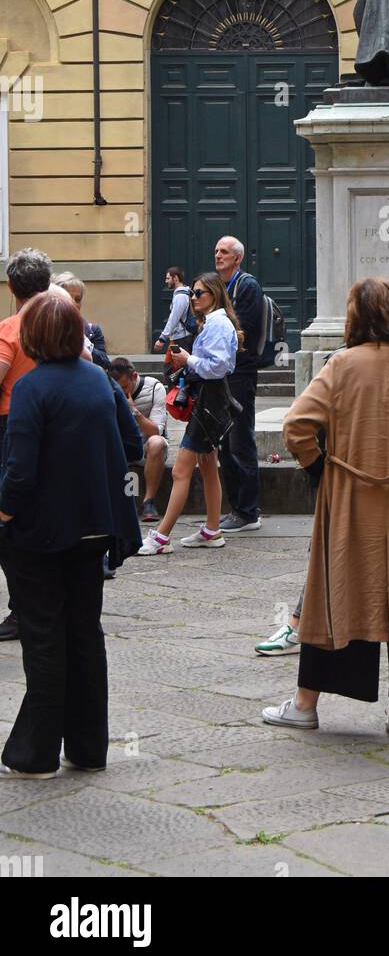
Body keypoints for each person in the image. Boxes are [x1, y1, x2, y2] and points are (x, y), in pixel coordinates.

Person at [265, 277, 389, 739]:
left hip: (350, 500)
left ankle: (305, 706)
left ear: (356, 316)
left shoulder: (340, 366)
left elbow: (297, 425)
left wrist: (320, 466)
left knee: (337, 597)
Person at [0, 291, 141, 777]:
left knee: (43, 638)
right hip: (94, 530)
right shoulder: (101, 380)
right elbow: (131, 444)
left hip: (39, 533)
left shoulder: (31, 389)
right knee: (84, 634)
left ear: (35, 337)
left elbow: (18, 472)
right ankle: (87, 747)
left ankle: (35, 753)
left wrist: (2, 514)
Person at [138, 272, 240, 555]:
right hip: (210, 399)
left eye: (199, 293)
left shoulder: (218, 324)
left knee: (182, 469)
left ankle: (160, 537)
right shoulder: (215, 322)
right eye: (193, 293)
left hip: (209, 400)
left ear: (215, 295)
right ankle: (211, 530)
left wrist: (187, 359)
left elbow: (218, 366)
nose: (194, 298)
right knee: (208, 465)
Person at [0, 248, 54, 642]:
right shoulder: (63, 323)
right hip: (59, 426)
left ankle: (22, 606)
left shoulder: (10, 329)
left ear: (11, 286)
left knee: (9, 518)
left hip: (12, 427)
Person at [215, 236, 263, 533]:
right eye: (216, 251)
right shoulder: (220, 286)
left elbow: (241, 328)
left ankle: (248, 511)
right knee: (224, 442)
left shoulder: (247, 286)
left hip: (240, 374)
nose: (218, 256)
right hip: (223, 373)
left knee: (239, 441)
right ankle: (236, 508)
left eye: (224, 252)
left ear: (238, 258)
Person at [108, 358, 168, 525]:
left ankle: (149, 502)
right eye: (117, 389)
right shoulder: (108, 389)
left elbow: (156, 430)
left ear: (134, 376)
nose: (120, 392)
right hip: (124, 447)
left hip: (149, 447)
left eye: (124, 388)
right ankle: (129, 502)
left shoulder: (154, 387)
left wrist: (133, 410)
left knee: (156, 442)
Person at [51, 273, 110, 370]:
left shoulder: (92, 330)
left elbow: (105, 364)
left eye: (77, 299)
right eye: (68, 298)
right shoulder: (45, 329)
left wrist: (81, 338)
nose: (73, 303)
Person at [153, 266, 196, 357]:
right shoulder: (184, 293)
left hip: (182, 338)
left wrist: (162, 339)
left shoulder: (180, 296)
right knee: (169, 367)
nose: (166, 281)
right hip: (178, 337)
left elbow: (174, 319)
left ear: (175, 278)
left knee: (177, 367)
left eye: (168, 278)